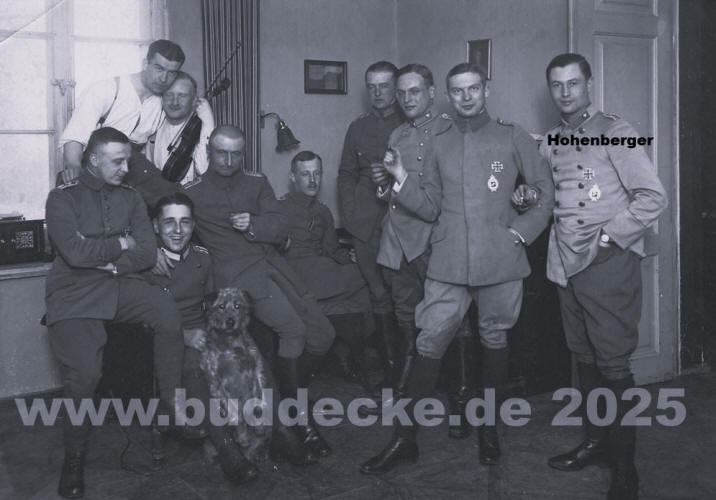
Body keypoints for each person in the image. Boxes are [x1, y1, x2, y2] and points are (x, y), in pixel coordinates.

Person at [360, 62, 554, 475]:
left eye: (473, 89)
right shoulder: (439, 142)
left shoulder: (512, 135)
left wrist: (521, 234)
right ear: (447, 95)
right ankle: (404, 440)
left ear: (486, 89)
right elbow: (430, 206)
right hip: (448, 261)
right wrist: (400, 177)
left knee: (494, 338)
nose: (466, 97)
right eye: (458, 91)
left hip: (500, 259)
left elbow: (544, 191)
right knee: (429, 340)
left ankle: (489, 430)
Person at [542, 53, 667, 500]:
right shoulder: (552, 139)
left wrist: (611, 237)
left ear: (589, 84)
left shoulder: (617, 132)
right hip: (566, 265)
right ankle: (596, 443)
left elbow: (653, 196)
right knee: (585, 358)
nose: (565, 92)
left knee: (613, 364)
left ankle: (626, 468)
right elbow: (551, 196)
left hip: (607, 266)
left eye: (573, 83)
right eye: (557, 85)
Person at [45, 127, 185, 499]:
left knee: (167, 312)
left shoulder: (132, 197)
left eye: (128, 161)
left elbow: (146, 253)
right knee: (85, 374)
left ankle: (171, 406)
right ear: (92, 159)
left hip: (120, 283)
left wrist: (109, 260)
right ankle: (74, 458)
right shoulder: (61, 198)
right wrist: (121, 243)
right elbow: (73, 254)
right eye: (117, 161)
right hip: (74, 292)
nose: (126, 168)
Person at [184, 125, 335, 459]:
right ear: (208, 152)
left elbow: (280, 225)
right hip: (239, 278)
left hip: (276, 268)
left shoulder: (256, 181)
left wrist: (253, 223)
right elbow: (171, 225)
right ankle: (299, 420)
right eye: (221, 153)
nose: (228, 161)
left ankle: (286, 389)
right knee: (293, 330)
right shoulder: (193, 192)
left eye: (236, 154)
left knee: (324, 333)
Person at [365, 64, 474, 436]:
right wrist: (384, 185)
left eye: (415, 91)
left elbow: (433, 204)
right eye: (401, 93)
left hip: (431, 243)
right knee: (407, 320)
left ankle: (461, 400)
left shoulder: (449, 131)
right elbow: (396, 195)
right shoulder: (398, 133)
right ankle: (406, 396)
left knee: (450, 323)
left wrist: (398, 180)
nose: (407, 99)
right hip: (397, 243)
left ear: (431, 92)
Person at [278, 150, 373, 388]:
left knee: (365, 281)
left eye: (317, 173)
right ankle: (345, 357)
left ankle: (347, 355)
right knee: (362, 280)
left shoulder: (323, 211)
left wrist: (353, 259)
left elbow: (332, 249)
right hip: (298, 274)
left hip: (323, 272)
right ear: (293, 177)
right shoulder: (279, 209)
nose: (313, 180)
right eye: (305, 174)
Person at [337, 61, 403, 387]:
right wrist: (350, 216)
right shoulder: (358, 128)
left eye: (384, 86)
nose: (377, 93)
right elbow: (346, 174)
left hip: (402, 219)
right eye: (372, 87)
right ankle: (391, 373)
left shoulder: (410, 124)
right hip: (365, 223)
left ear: (396, 87)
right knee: (378, 292)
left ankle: (408, 373)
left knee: (404, 293)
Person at [59, 39, 186, 206]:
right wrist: (74, 167)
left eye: (171, 73)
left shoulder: (163, 102)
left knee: (174, 198)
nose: (164, 78)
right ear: (145, 63)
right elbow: (75, 136)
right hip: (96, 161)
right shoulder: (107, 89)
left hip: (132, 164)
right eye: (159, 68)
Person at [146, 72, 215, 184]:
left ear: (194, 101)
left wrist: (208, 123)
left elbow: (203, 170)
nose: (174, 102)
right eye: (169, 94)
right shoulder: (154, 126)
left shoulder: (201, 129)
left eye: (182, 96)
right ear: (162, 99)